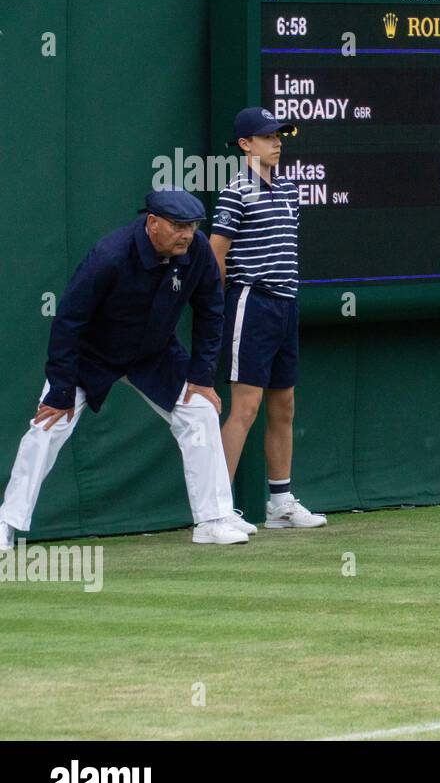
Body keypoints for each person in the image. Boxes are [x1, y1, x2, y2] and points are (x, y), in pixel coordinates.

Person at [0, 189, 248, 549]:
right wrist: (60, 392)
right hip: (93, 357)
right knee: (46, 428)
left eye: (193, 226)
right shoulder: (109, 256)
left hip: (153, 354)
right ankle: (7, 523)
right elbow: (68, 322)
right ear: (152, 223)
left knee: (200, 410)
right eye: (178, 226)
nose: (187, 235)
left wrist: (201, 377)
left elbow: (211, 311)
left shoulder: (196, 254)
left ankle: (212, 520)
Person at [210, 107, 326, 529]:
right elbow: (215, 256)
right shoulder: (235, 191)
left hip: (285, 304)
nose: (278, 142)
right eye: (267, 137)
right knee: (245, 407)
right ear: (245, 144)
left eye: (280, 136)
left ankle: (280, 503)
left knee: (284, 404)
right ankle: (216, 510)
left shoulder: (291, 190)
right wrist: (220, 306)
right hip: (250, 303)